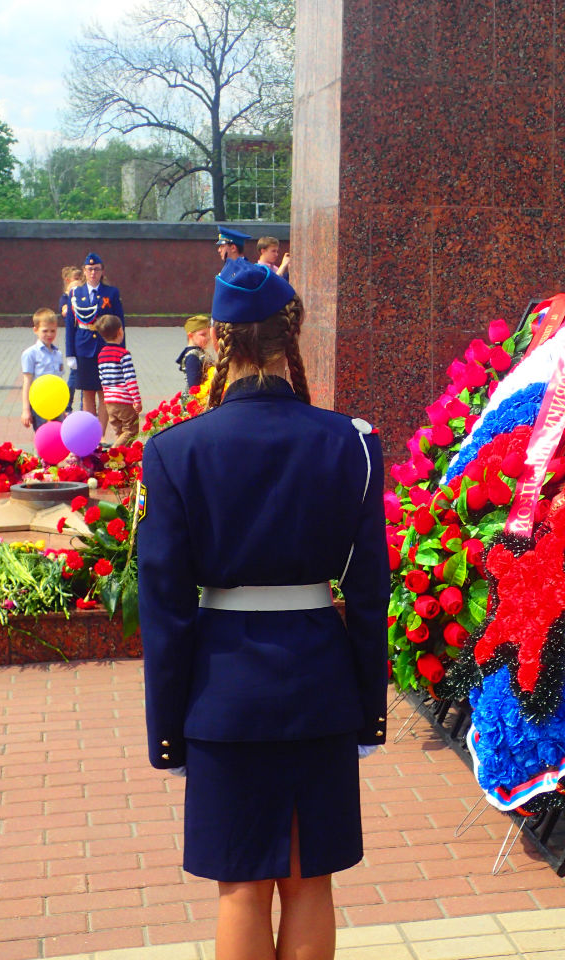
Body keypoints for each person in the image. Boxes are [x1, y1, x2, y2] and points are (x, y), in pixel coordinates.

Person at [138, 261, 387, 960]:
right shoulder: (352, 442)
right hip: (320, 684)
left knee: (242, 887)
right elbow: (369, 592)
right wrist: (368, 709)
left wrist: (168, 731)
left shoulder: (175, 450)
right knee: (309, 882)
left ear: (218, 340)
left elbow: (165, 608)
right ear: (290, 336)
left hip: (223, 694)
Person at [66, 253, 124, 438]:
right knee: (87, 393)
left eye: (97, 269)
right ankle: (90, 436)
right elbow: (70, 325)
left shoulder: (111, 293)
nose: (93, 273)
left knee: (104, 393)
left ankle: (100, 435)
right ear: (84, 271)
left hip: (105, 347)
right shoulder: (76, 293)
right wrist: (70, 353)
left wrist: (121, 351)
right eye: (90, 269)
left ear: (102, 271)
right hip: (83, 347)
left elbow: (120, 323)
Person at [95, 313, 141, 446]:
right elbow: (130, 379)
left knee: (120, 433)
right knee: (131, 431)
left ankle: (123, 458)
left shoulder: (101, 354)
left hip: (109, 402)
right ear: (120, 331)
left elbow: (102, 379)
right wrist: (137, 400)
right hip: (124, 401)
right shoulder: (124, 354)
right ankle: (114, 453)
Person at [21, 308, 65, 431]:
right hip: (40, 403)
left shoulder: (58, 354)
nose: (49, 334)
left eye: (53, 331)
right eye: (45, 331)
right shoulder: (30, 354)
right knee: (43, 434)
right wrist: (26, 410)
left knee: (59, 434)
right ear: (35, 330)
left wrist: (63, 408)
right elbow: (27, 382)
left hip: (56, 402)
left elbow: (60, 381)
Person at [58, 266, 84, 411]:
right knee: (74, 374)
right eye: (76, 279)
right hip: (74, 340)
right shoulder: (65, 298)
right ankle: (67, 405)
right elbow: (64, 311)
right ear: (68, 281)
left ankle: (84, 406)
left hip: (85, 339)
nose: (79, 282)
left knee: (86, 377)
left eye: (80, 279)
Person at [176, 314, 211, 391]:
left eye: (209, 334)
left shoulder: (199, 352)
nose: (208, 338)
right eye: (203, 335)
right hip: (198, 396)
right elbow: (194, 386)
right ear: (190, 336)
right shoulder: (192, 356)